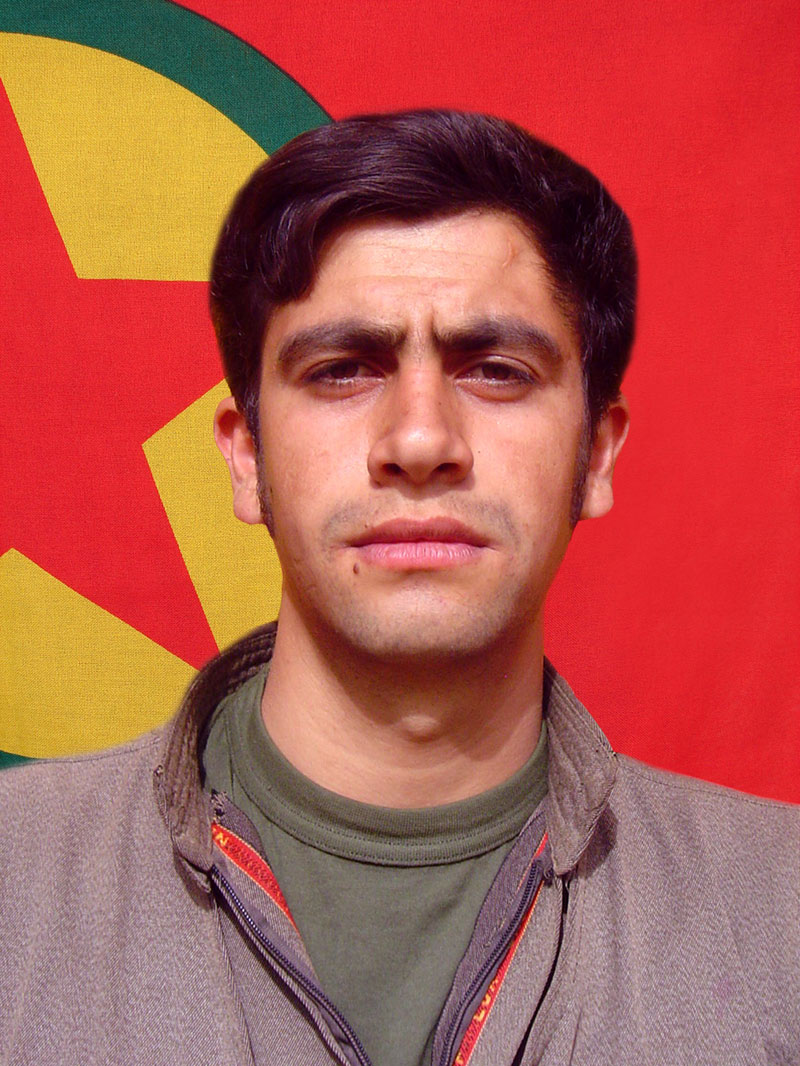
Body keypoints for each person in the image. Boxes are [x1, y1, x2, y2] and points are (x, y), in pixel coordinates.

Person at [1, 110, 797, 1066]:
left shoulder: (780, 913)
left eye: (496, 371)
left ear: (596, 453)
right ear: (247, 458)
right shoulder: (14, 886)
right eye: (342, 371)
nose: (420, 441)